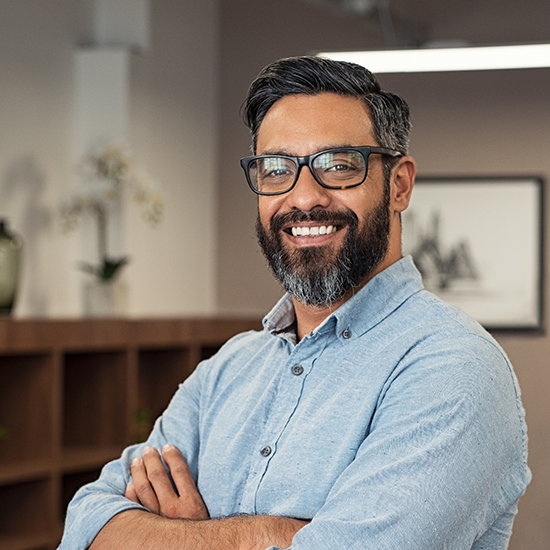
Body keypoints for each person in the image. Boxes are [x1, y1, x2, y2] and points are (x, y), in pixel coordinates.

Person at [58, 56, 531, 550]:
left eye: (338, 166)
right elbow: (85, 527)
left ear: (399, 184)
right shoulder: (226, 371)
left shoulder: (453, 368)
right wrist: (270, 536)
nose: (303, 197)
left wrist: (187, 536)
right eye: (276, 169)